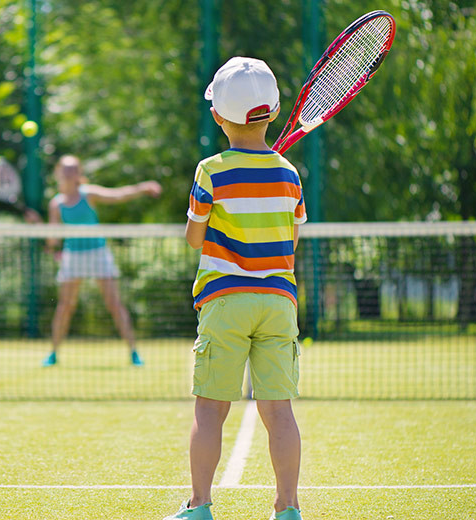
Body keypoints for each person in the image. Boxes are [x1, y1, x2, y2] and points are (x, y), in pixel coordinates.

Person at [164, 57, 307, 520]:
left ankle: (199, 506)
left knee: (210, 410)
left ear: (217, 115)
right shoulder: (289, 175)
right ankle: (288, 508)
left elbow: (194, 236)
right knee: (279, 412)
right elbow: (293, 237)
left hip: (225, 300)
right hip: (278, 303)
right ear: (274, 111)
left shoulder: (211, 170)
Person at [40, 154, 162, 367]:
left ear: (78, 174)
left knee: (114, 304)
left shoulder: (88, 194)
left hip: (98, 254)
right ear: (59, 173)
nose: (68, 173)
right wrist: (40, 231)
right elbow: (53, 240)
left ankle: (133, 353)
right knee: (65, 306)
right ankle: (53, 353)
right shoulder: (56, 204)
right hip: (73, 256)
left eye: (72, 169)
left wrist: (142, 188)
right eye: (65, 169)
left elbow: (118, 195)